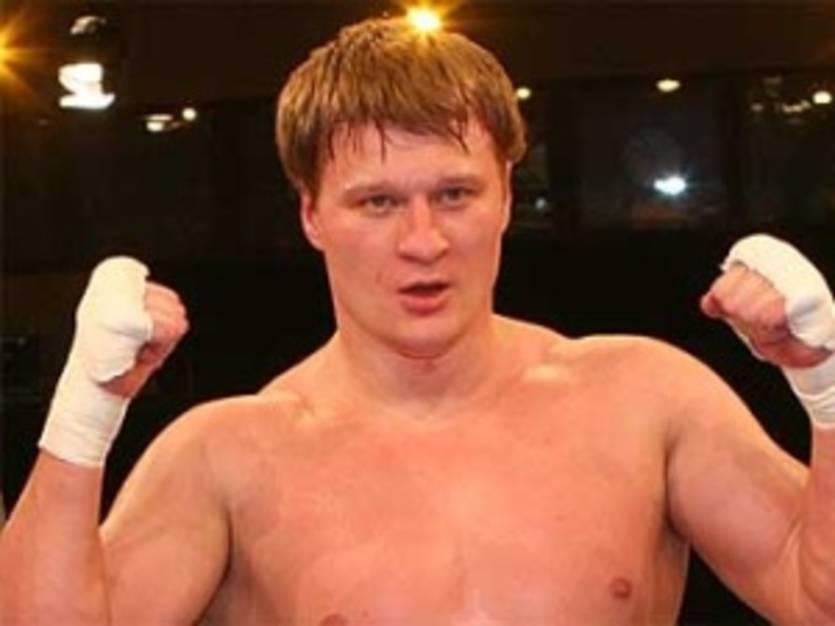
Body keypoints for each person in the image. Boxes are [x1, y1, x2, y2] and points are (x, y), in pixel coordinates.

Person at [1, 15, 835, 626]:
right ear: (312, 215)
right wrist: (84, 415)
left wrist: (827, 383)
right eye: (377, 202)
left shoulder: (644, 398)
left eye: (454, 193)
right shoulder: (226, 456)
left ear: (505, 196)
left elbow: (818, 598)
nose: (423, 241)